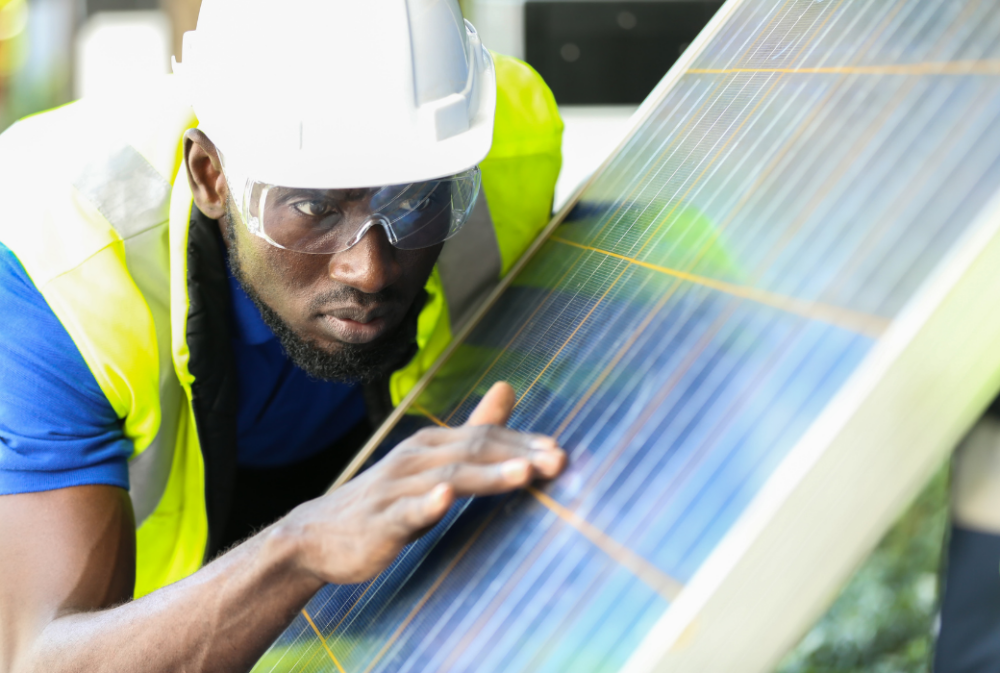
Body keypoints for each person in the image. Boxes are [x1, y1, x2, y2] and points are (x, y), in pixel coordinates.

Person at [0, 0, 566, 671]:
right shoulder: (59, 266)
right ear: (212, 177)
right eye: (314, 208)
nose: (370, 267)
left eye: (412, 202)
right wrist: (302, 543)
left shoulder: (495, 143)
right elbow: (36, 658)